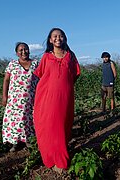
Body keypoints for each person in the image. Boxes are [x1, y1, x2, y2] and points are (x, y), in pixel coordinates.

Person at [33, 28, 80, 173]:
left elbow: (75, 74)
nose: (58, 38)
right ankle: (55, 160)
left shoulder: (70, 56)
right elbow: (41, 75)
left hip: (65, 98)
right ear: (50, 40)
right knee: (50, 127)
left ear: (65, 38)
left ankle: (59, 154)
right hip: (48, 98)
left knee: (64, 125)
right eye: (55, 36)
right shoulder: (47, 57)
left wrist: (64, 87)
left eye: (61, 36)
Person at [2, 42, 39, 152]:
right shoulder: (12, 64)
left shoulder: (36, 64)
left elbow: (42, 79)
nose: (24, 52)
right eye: (21, 50)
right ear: (17, 53)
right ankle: (15, 142)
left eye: (26, 49)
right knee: (15, 121)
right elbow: (6, 80)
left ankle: (29, 141)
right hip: (15, 100)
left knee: (30, 119)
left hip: (31, 99)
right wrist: (5, 96)